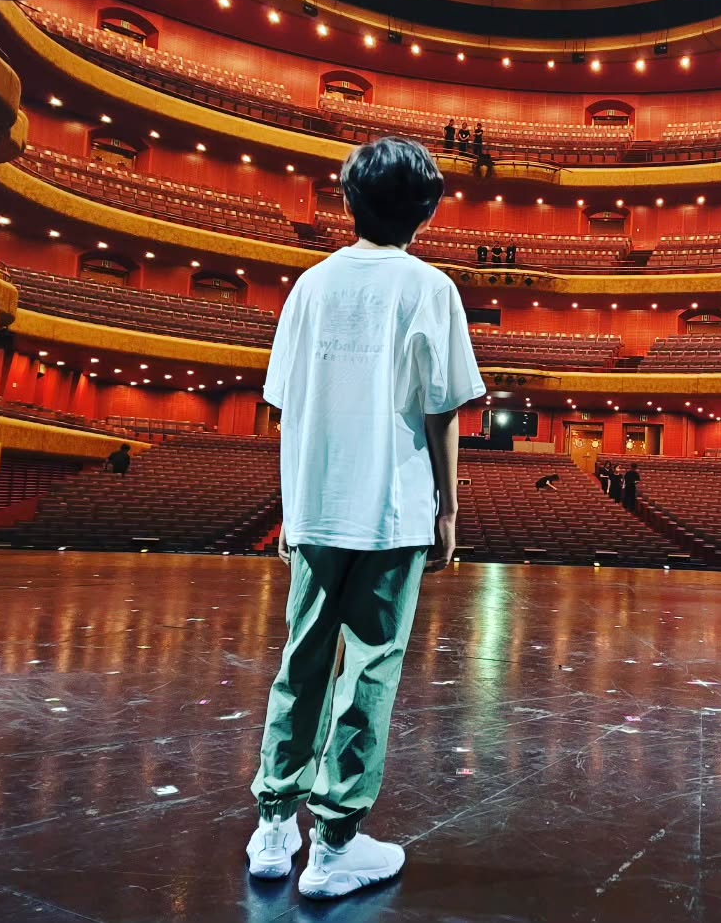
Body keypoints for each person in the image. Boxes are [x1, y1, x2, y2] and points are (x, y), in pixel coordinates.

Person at [246, 136, 485, 899]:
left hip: (317, 506)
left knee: (302, 660)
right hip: (394, 509)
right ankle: (335, 845)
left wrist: (292, 508)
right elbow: (442, 409)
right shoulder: (430, 287)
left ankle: (274, 826)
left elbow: (286, 407)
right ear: (426, 211)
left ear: (348, 202)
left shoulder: (310, 286)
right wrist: (449, 508)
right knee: (370, 669)